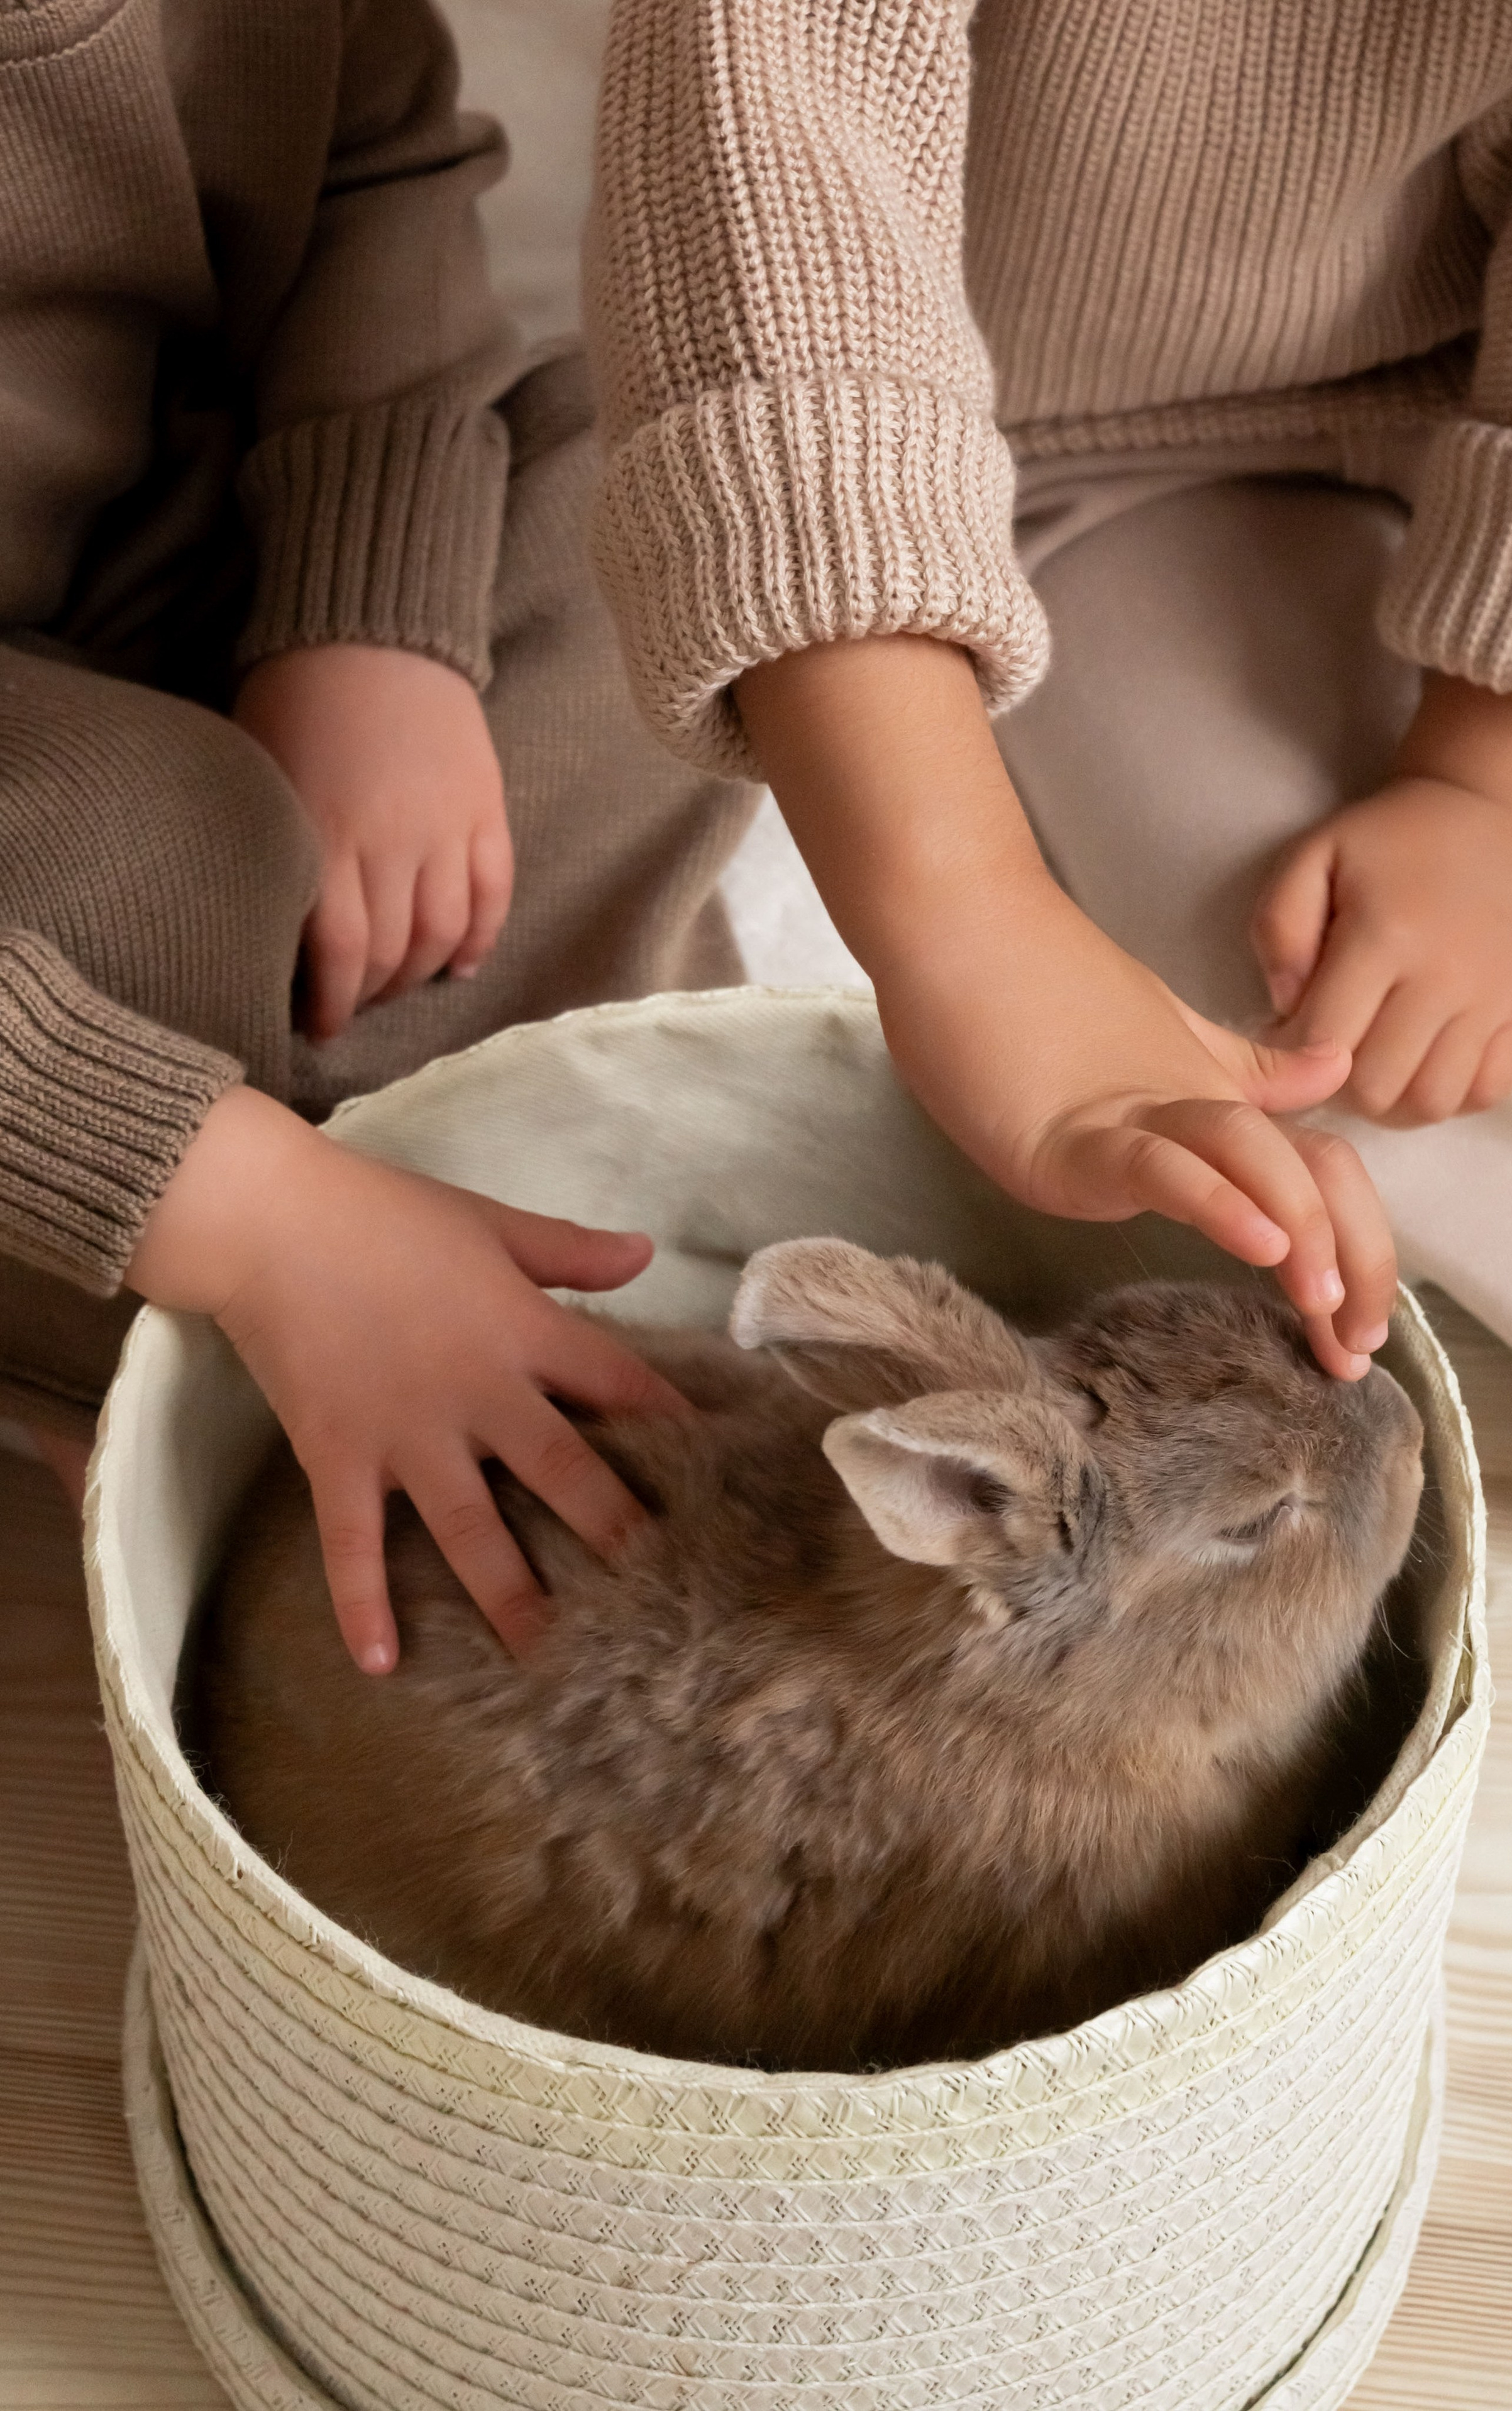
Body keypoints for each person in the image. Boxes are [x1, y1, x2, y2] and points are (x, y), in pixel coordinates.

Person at [583, 0, 1512, 1427]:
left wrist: (1488, 781)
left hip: (1477, 430)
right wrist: (965, 914)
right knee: (1323, 1032)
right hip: (1013, 446)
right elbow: (771, 193)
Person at [0, 0, 756, 1670]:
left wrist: (371, 623)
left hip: (177, 523)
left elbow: (375, 159)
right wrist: (236, 1204)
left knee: (663, 535)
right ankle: (148, 1337)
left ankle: (445, 1195)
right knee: (167, 843)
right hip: (70, 837)